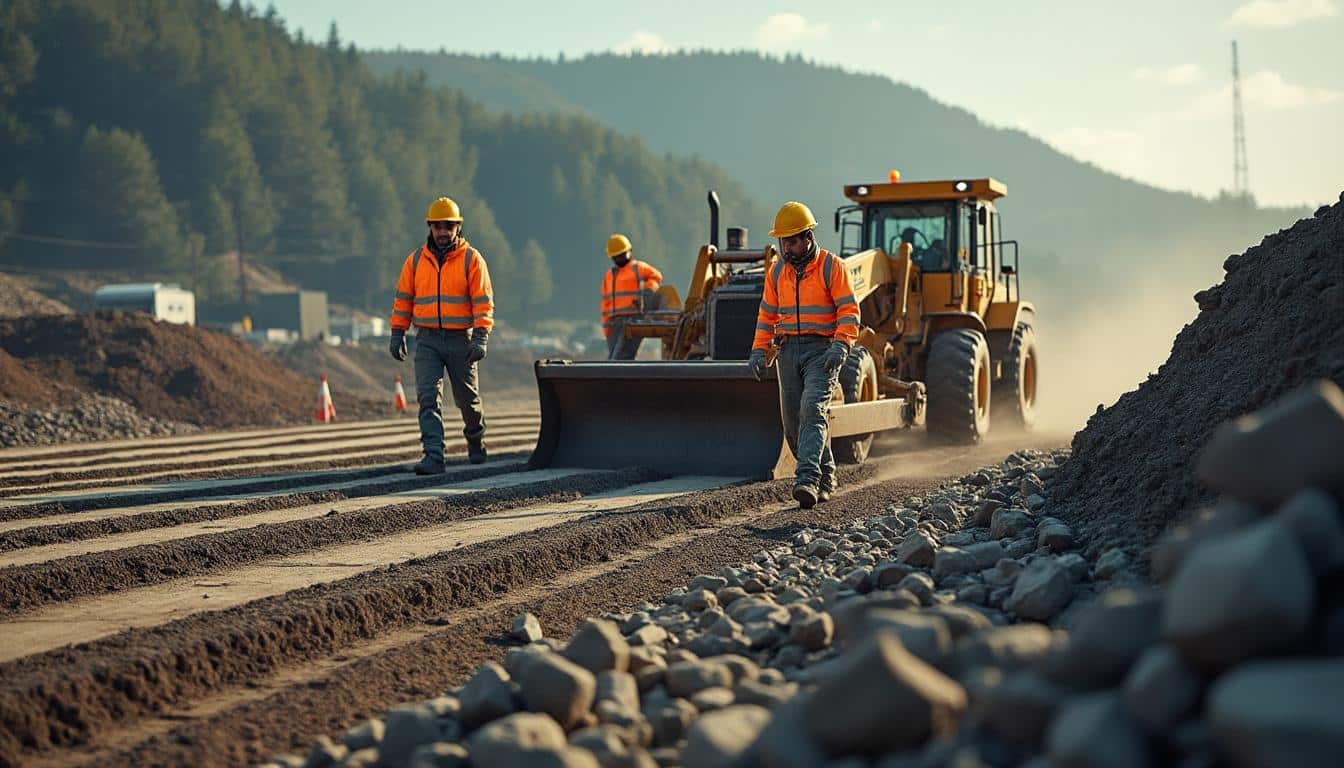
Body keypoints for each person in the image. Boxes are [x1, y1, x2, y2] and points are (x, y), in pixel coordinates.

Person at [748, 201, 860, 509]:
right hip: (787, 352)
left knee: (813, 408)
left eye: (793, 240)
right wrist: (759, 351)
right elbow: (766, 315)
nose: (787, 246)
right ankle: (826, 474)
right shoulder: (776, 273)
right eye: (783, 241)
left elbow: (849, 311)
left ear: (808, 237)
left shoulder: (831, 267)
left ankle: (808, 478)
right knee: (793, 423)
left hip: (822, 351)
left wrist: (841, 344)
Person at [388, 197, 494, 474]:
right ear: (430, 228)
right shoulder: (414, 262)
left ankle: (475, 438)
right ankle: (434, 455)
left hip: (462, 340)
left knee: (467, 400)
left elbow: (483, 302)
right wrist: (397, 332)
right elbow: (403, 300)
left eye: (449, 226)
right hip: (427, 340)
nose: (443, 231)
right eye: (438, 226)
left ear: (458, 227)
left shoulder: (472, 259)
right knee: (427, 397)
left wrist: (481, 336)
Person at [600, 233, 663, 360]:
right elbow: (605, 304)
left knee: (622, 357)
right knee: (614, 358)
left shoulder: (637, 268)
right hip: (614, 324)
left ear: (629, 252)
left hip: (632, 320)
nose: (618, 258)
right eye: (615, 256)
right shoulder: (609, 275)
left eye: (621, 255)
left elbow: (656, 276)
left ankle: (622, 378)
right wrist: (606, 328)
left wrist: (647, 291)